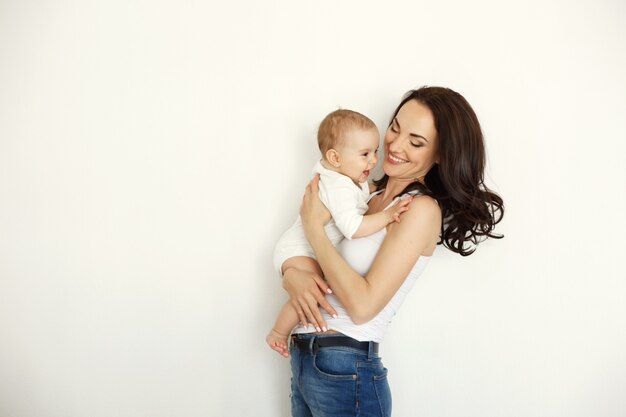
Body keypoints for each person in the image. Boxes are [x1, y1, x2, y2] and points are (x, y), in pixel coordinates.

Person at [278, 86, 504, 416]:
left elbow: (362, 306)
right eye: (395, 127)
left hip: (346, 366)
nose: (395, 146)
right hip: (306, 358)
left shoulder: (420, 209)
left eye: (416, 142)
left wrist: (316, 232)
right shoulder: (362, 194)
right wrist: (293, 277)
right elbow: (306, 254)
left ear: (440, 154)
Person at [267, 109, 411, 357]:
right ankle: (279, 333)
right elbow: (353, 228)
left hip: (305, 250)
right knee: (312, 289)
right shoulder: (339, 185)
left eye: (375, 152)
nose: (374, 161)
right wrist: (387, 216)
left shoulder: (348, 178)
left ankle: (281, 332)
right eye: (365, 154)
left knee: (313, 288)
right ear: (334, 157)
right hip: (300, 250)